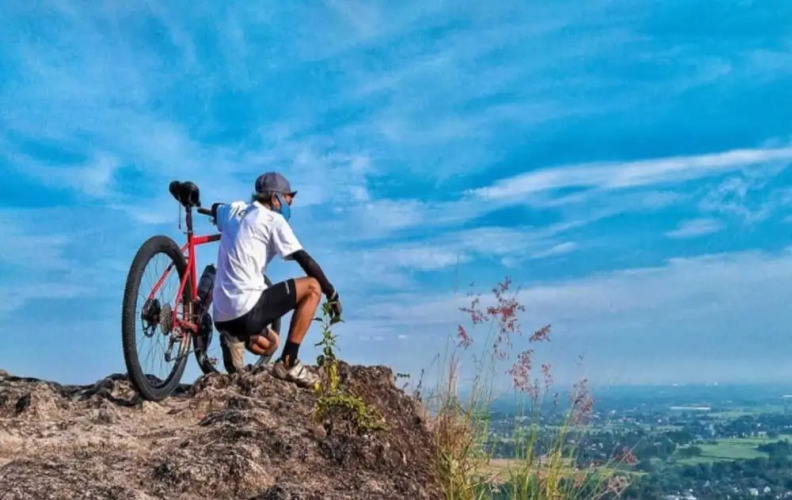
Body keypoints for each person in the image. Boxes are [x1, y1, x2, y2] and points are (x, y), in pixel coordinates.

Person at [210, 172, 342, 387]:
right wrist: (332, 293)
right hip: (247, 310)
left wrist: (217, 212)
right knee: (313, 287)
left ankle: (234, 339)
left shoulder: (234, 210)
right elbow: (305, 260)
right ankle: (289, 362)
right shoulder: (273, 220)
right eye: (289, 197)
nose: (291, 203)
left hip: (221, 316)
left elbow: (216, 208)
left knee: (271, 344)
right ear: (275, 198)